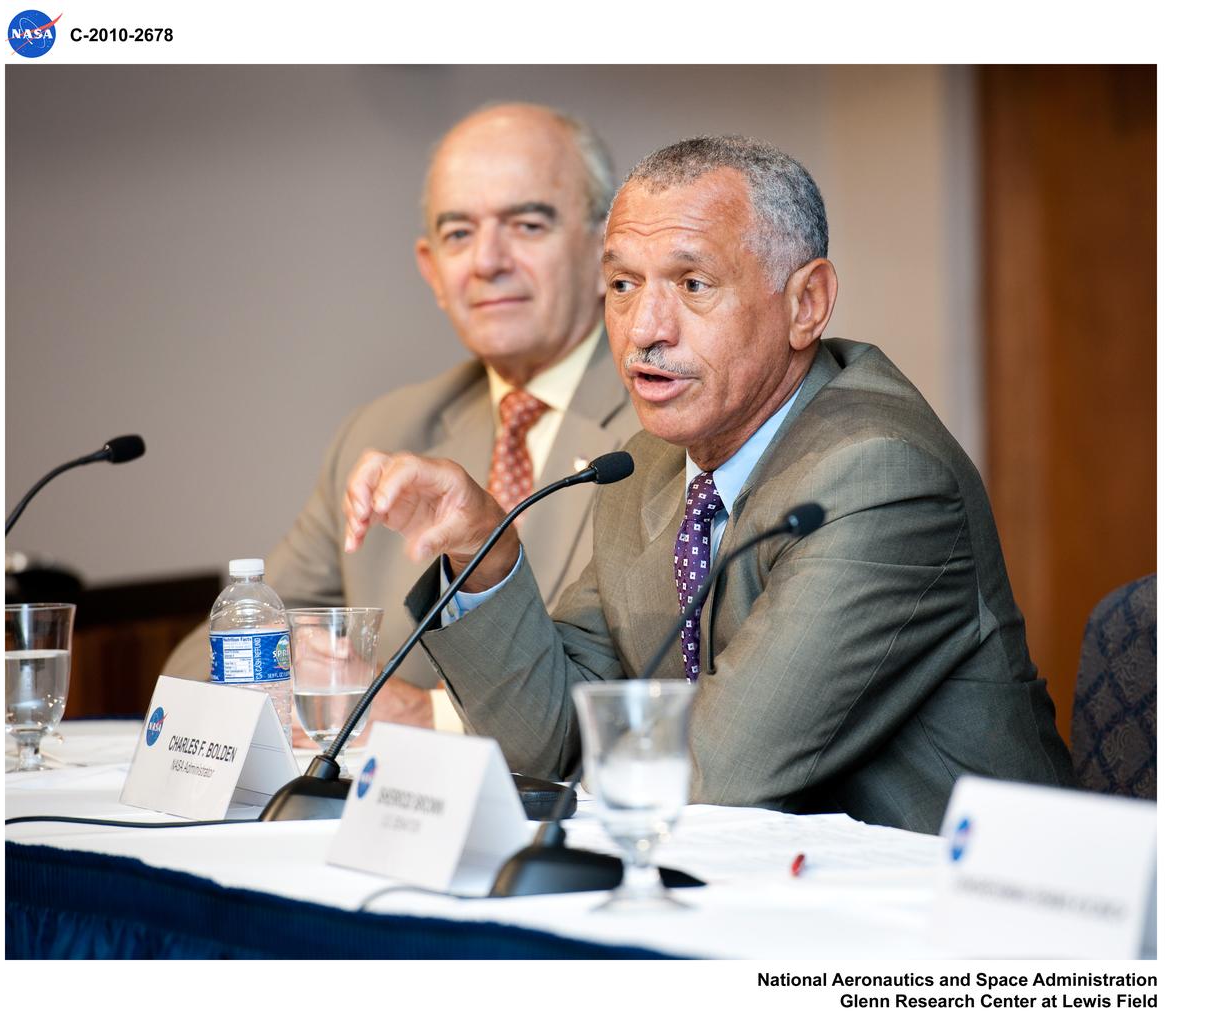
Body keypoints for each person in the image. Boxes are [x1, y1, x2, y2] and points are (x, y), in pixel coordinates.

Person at [340, 135, 1075, 834]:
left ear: (806, 304)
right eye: (622, 285)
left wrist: (593, 755)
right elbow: (549, 743)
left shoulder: (880, 475)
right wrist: (484, 552)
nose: (643, 330)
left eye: (694, 285)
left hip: (968, 917)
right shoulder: (649, 466)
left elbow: (716, 779)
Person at [163, 104, 641, 732]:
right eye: (458, 234)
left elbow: (663, 685)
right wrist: (286, 667)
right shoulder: (383, 433)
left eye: (526, 224)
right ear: (432, 270)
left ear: (604, 249)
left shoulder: (664, 421)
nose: (487, 261)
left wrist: (430, 715)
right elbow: (200, 658)